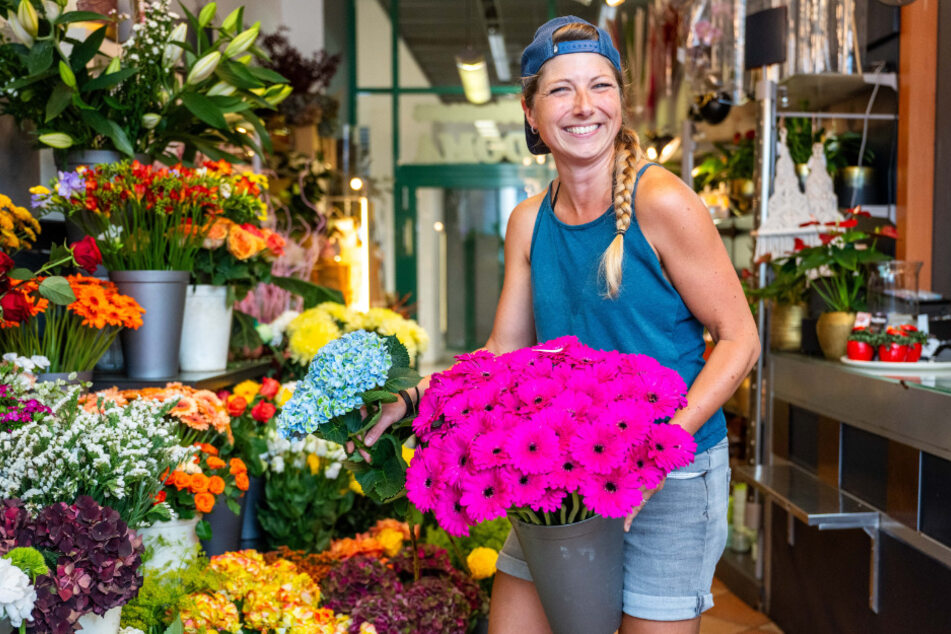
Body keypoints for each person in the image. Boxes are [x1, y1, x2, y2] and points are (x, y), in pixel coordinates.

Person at [361, 15, 760, 634]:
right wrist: (413, 400)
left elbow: (740, 339)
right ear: (530, 112)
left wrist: (658, 452)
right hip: (567, 475)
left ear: (620, 103)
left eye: (600, 86)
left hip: (672, 471)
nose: (584, 107)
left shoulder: (663, 203)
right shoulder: (528, 221)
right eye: (560, 89)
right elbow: (504, 350)